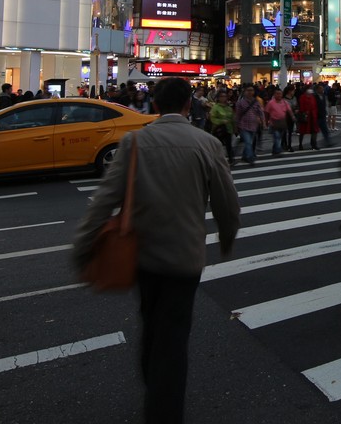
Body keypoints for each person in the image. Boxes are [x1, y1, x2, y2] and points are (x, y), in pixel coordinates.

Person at [73, 77, 239, 424]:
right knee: (175, 335)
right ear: (187, 105)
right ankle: (164, 410)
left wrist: (85, 244)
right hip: (186, 256)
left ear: (154, 106)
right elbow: (227, 202)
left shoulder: (134, 142)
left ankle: (154, 388)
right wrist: (226, 237)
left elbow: (105, 199)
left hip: (143, 254)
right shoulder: (207, 144)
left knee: (151, 323)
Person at [234, 86, 264, 166]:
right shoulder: (240, 103)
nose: (250, 92)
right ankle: (250, 158)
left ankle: (244, 156)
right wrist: (236, 125)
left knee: (249, 142)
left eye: (251, 90)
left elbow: (260, 112)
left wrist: (263, 122)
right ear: (244, 92)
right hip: (243, 126)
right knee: (248, 142)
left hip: (253, 125)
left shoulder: (256, 102)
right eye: (248, 90)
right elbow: (237, 115)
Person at [208, 89, 236, 166]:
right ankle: (216, 159)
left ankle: (231, 159)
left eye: (225, 96)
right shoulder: (216, 107)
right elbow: (212, 118)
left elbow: (232, 118)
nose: (223, 98)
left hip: (228, 129)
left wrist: (234, 128)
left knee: (229, 145)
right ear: (218, 98)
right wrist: (221, 121)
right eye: (221, 96)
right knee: (217, 145)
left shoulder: (228, 107)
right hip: (219, 129)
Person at [264, 88, 294, 155]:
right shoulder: (271, 103)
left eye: (280, 94)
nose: (279, 95)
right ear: (274, 94)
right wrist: (266, 122)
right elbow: (266, 112)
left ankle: (275, 149)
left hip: (282, 122)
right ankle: (278, 149)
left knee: (279, 136)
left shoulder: (284, 102)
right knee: (277, 136)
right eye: (277, 94)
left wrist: (292, 117)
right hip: (274, 122)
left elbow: (289, 110)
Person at [297, 85, 320, 151]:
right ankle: (300, 144)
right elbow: (301, 106)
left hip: (313, 116)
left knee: (314, 131)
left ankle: (313, 144)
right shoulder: (302, 97)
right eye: (309, 89)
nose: (311, 90)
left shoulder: (312, 97)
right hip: (306, 116)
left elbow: (315, 106)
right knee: (302, 131)